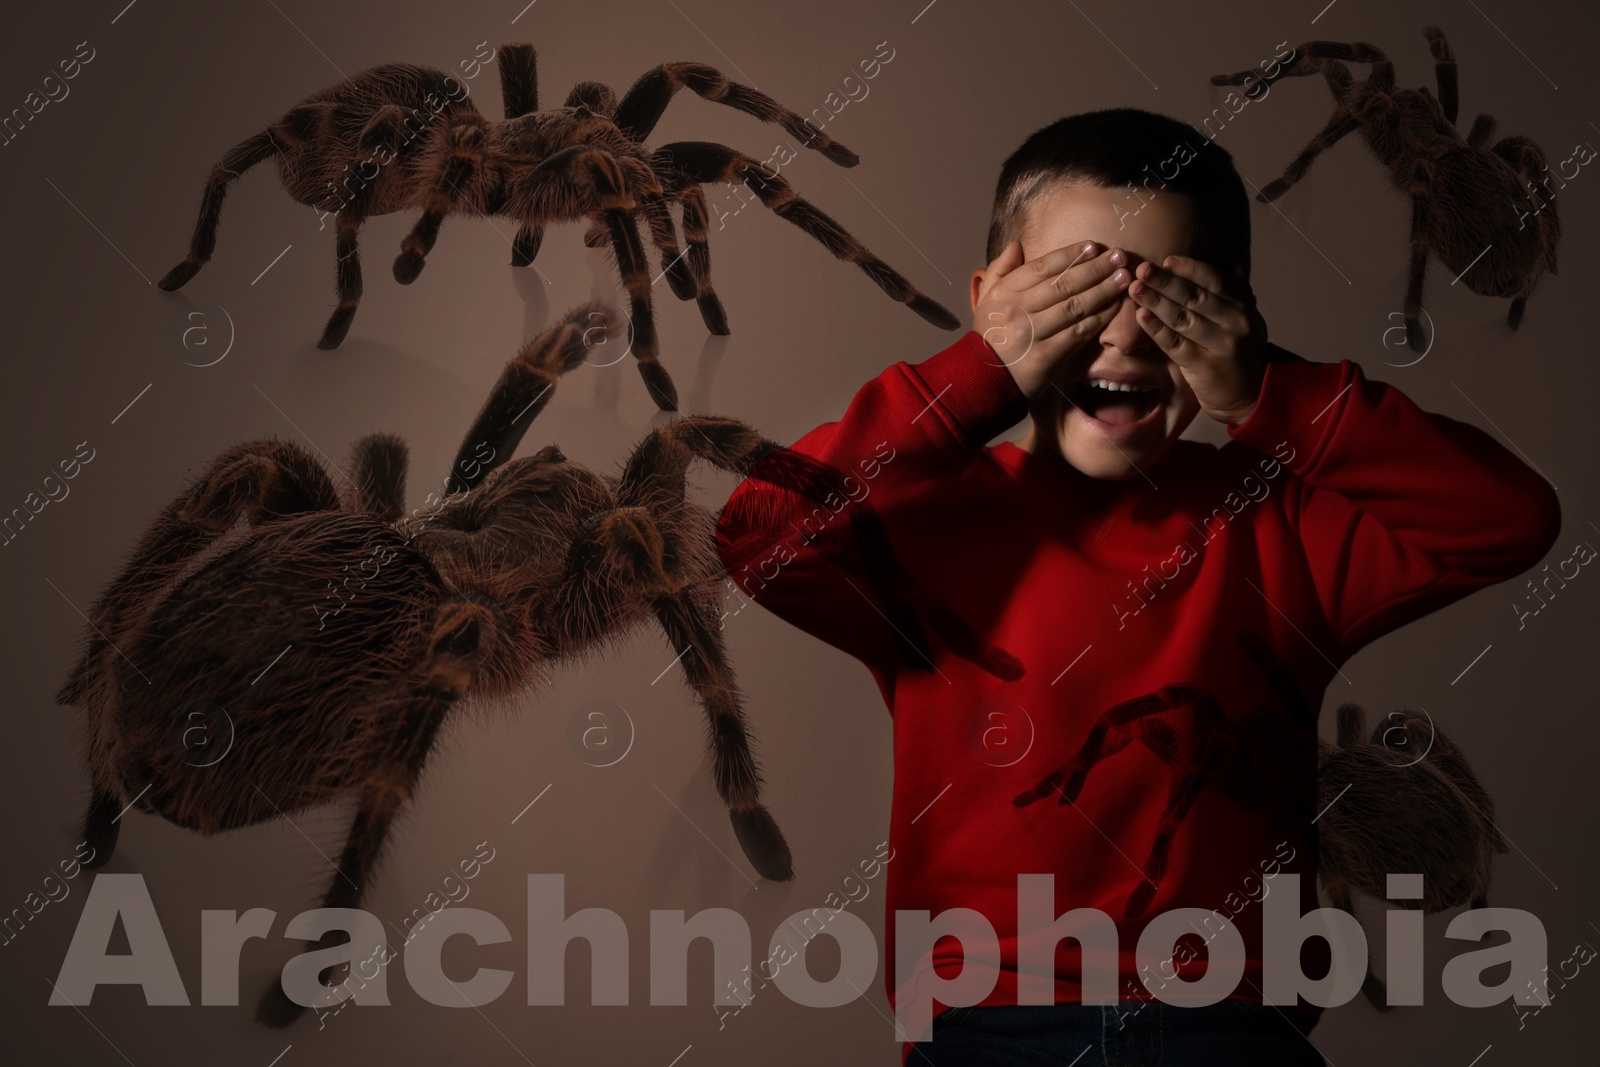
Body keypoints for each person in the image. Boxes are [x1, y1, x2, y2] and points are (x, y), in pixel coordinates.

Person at [712, 107, 1561, 1066]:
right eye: (1074, 289)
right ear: (994, 299)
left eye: (1170, 297)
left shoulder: (1285, 524)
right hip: (992, 1022)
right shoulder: (921, 526)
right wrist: (975, 374)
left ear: (1233, 313)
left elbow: (1510, 518)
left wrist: (1266, 395)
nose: (1121, 334)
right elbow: (757, 533)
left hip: (1231, 1025)